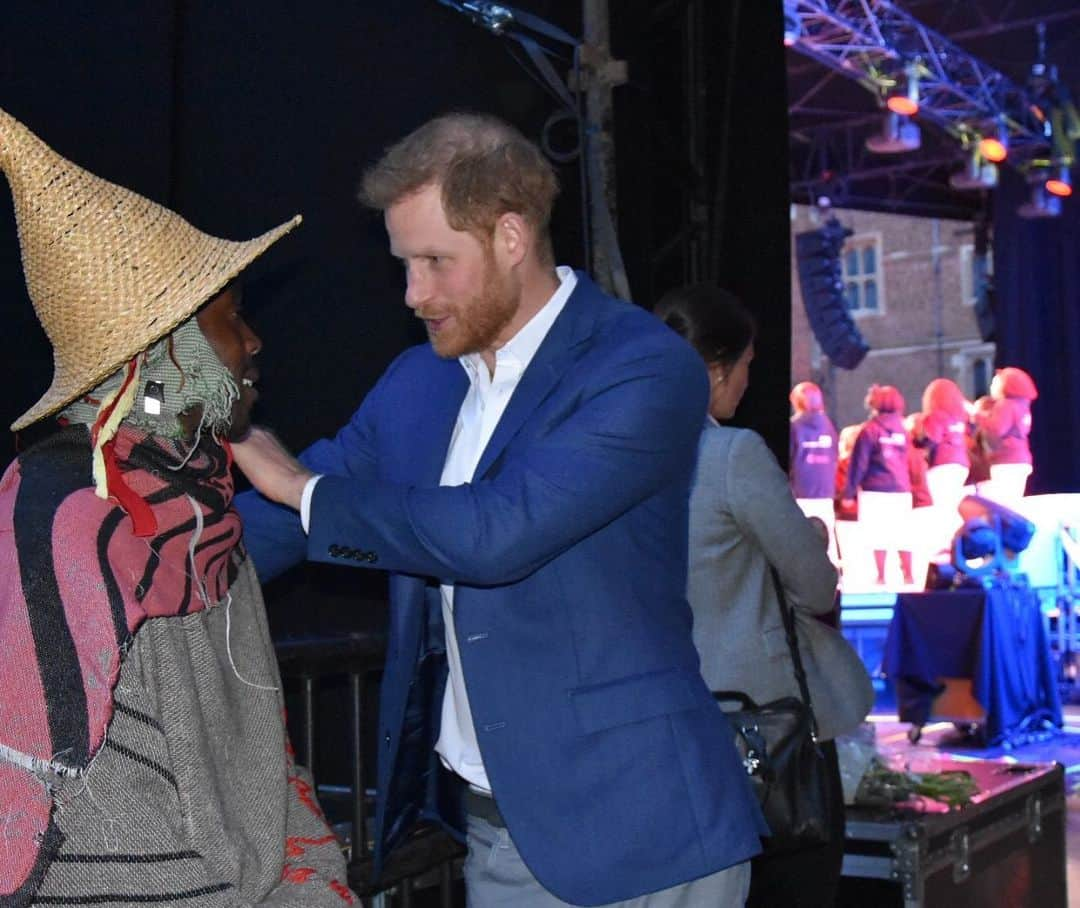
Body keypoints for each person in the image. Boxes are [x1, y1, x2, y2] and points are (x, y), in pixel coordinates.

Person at [233, 112, 765, 907]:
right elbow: (290, 520)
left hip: (649, 835)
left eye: (435, 262)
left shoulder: (643, 367)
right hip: (495, 832)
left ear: (511, 237)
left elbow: (497, 532)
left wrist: (302, 488)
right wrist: (125, 557)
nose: (413, 293)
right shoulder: (420, 382)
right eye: (404, 265)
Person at [0, 108, 353, 906]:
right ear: (163, 354)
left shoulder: (205, 516)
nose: (254, 342)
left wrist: (317, 883)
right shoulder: (64, 520)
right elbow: (43, 815)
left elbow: (265, 766)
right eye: (231, 320)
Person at [654, 285, 872, 908]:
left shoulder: (622, 456)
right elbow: (815, 585)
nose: (751, 381)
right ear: (717, 366)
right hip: (763, 733)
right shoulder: (730, 455)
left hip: (667, 728)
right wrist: (815, 533)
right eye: (747, 364)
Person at [844, 385, 914, 587]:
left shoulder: (869, 430)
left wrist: (849, 493)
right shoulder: (903, 429)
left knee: (877, 533)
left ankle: (881, 576)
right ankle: (908, 575)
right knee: (902, 533)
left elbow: (859, 463)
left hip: (876, 489)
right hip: (901, 489)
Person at [789, 381, 839, 563]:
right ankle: (834, 581)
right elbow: (835, 456)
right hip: (825, 491)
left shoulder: (794, 427)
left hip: (800, 491)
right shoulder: (828, 426)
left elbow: (789, 459)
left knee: (799, 540)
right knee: (829, 541)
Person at [977, 366, 1038, 503]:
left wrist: (977, 415)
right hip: (1021, 459)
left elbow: (996, 429)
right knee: (1014, 502)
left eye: (995, 383)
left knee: (1005, 504)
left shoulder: (1005, 404)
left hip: (1007, 461)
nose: (992, 386)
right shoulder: (1022, 405)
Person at [919, 377, 971, 514]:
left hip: (942, 464)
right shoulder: (959, 417)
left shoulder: (935, 415)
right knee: (953, 505)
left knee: (942, 508)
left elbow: (933, 439)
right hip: (961, 464)